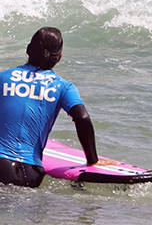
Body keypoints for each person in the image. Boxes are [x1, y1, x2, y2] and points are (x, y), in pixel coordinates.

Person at [0, 27, 101, 187]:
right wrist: (92, 161)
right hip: (33, 173)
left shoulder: (3, 77)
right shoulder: (63, 87)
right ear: (59, 57)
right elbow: (82, 118)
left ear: (28, 50)